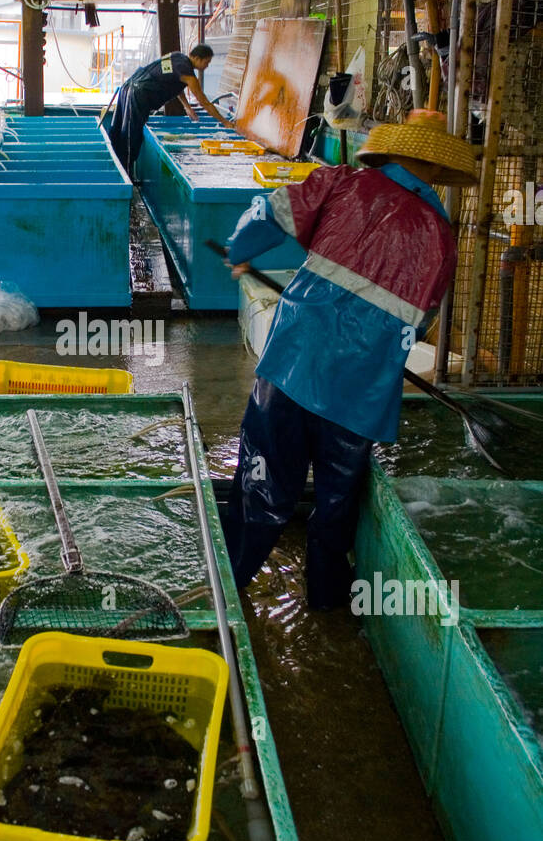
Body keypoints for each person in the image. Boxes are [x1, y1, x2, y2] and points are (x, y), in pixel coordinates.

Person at [221, 109, 477, 611]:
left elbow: (266, 216)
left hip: (294, 367)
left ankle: (226, 592)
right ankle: (327, 610)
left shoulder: (341, 184)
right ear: (435, 169)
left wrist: (240, 252)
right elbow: (420, 323)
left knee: (262, 490)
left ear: (390, 150)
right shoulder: (442, 237)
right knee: (335, 510)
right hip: (360, 398)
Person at [106, 43, 235, 176]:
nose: (206, 67)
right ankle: (124, 176)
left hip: (129, 86)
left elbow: (175, 85)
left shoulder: (177, 57)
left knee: (120, 130)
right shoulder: (189, 75)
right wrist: (225, 122)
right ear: (197, 58)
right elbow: (206, 103)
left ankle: (115, 169)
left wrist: (187, 107)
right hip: (139, 93)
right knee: (131, 135)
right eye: (207, 62)